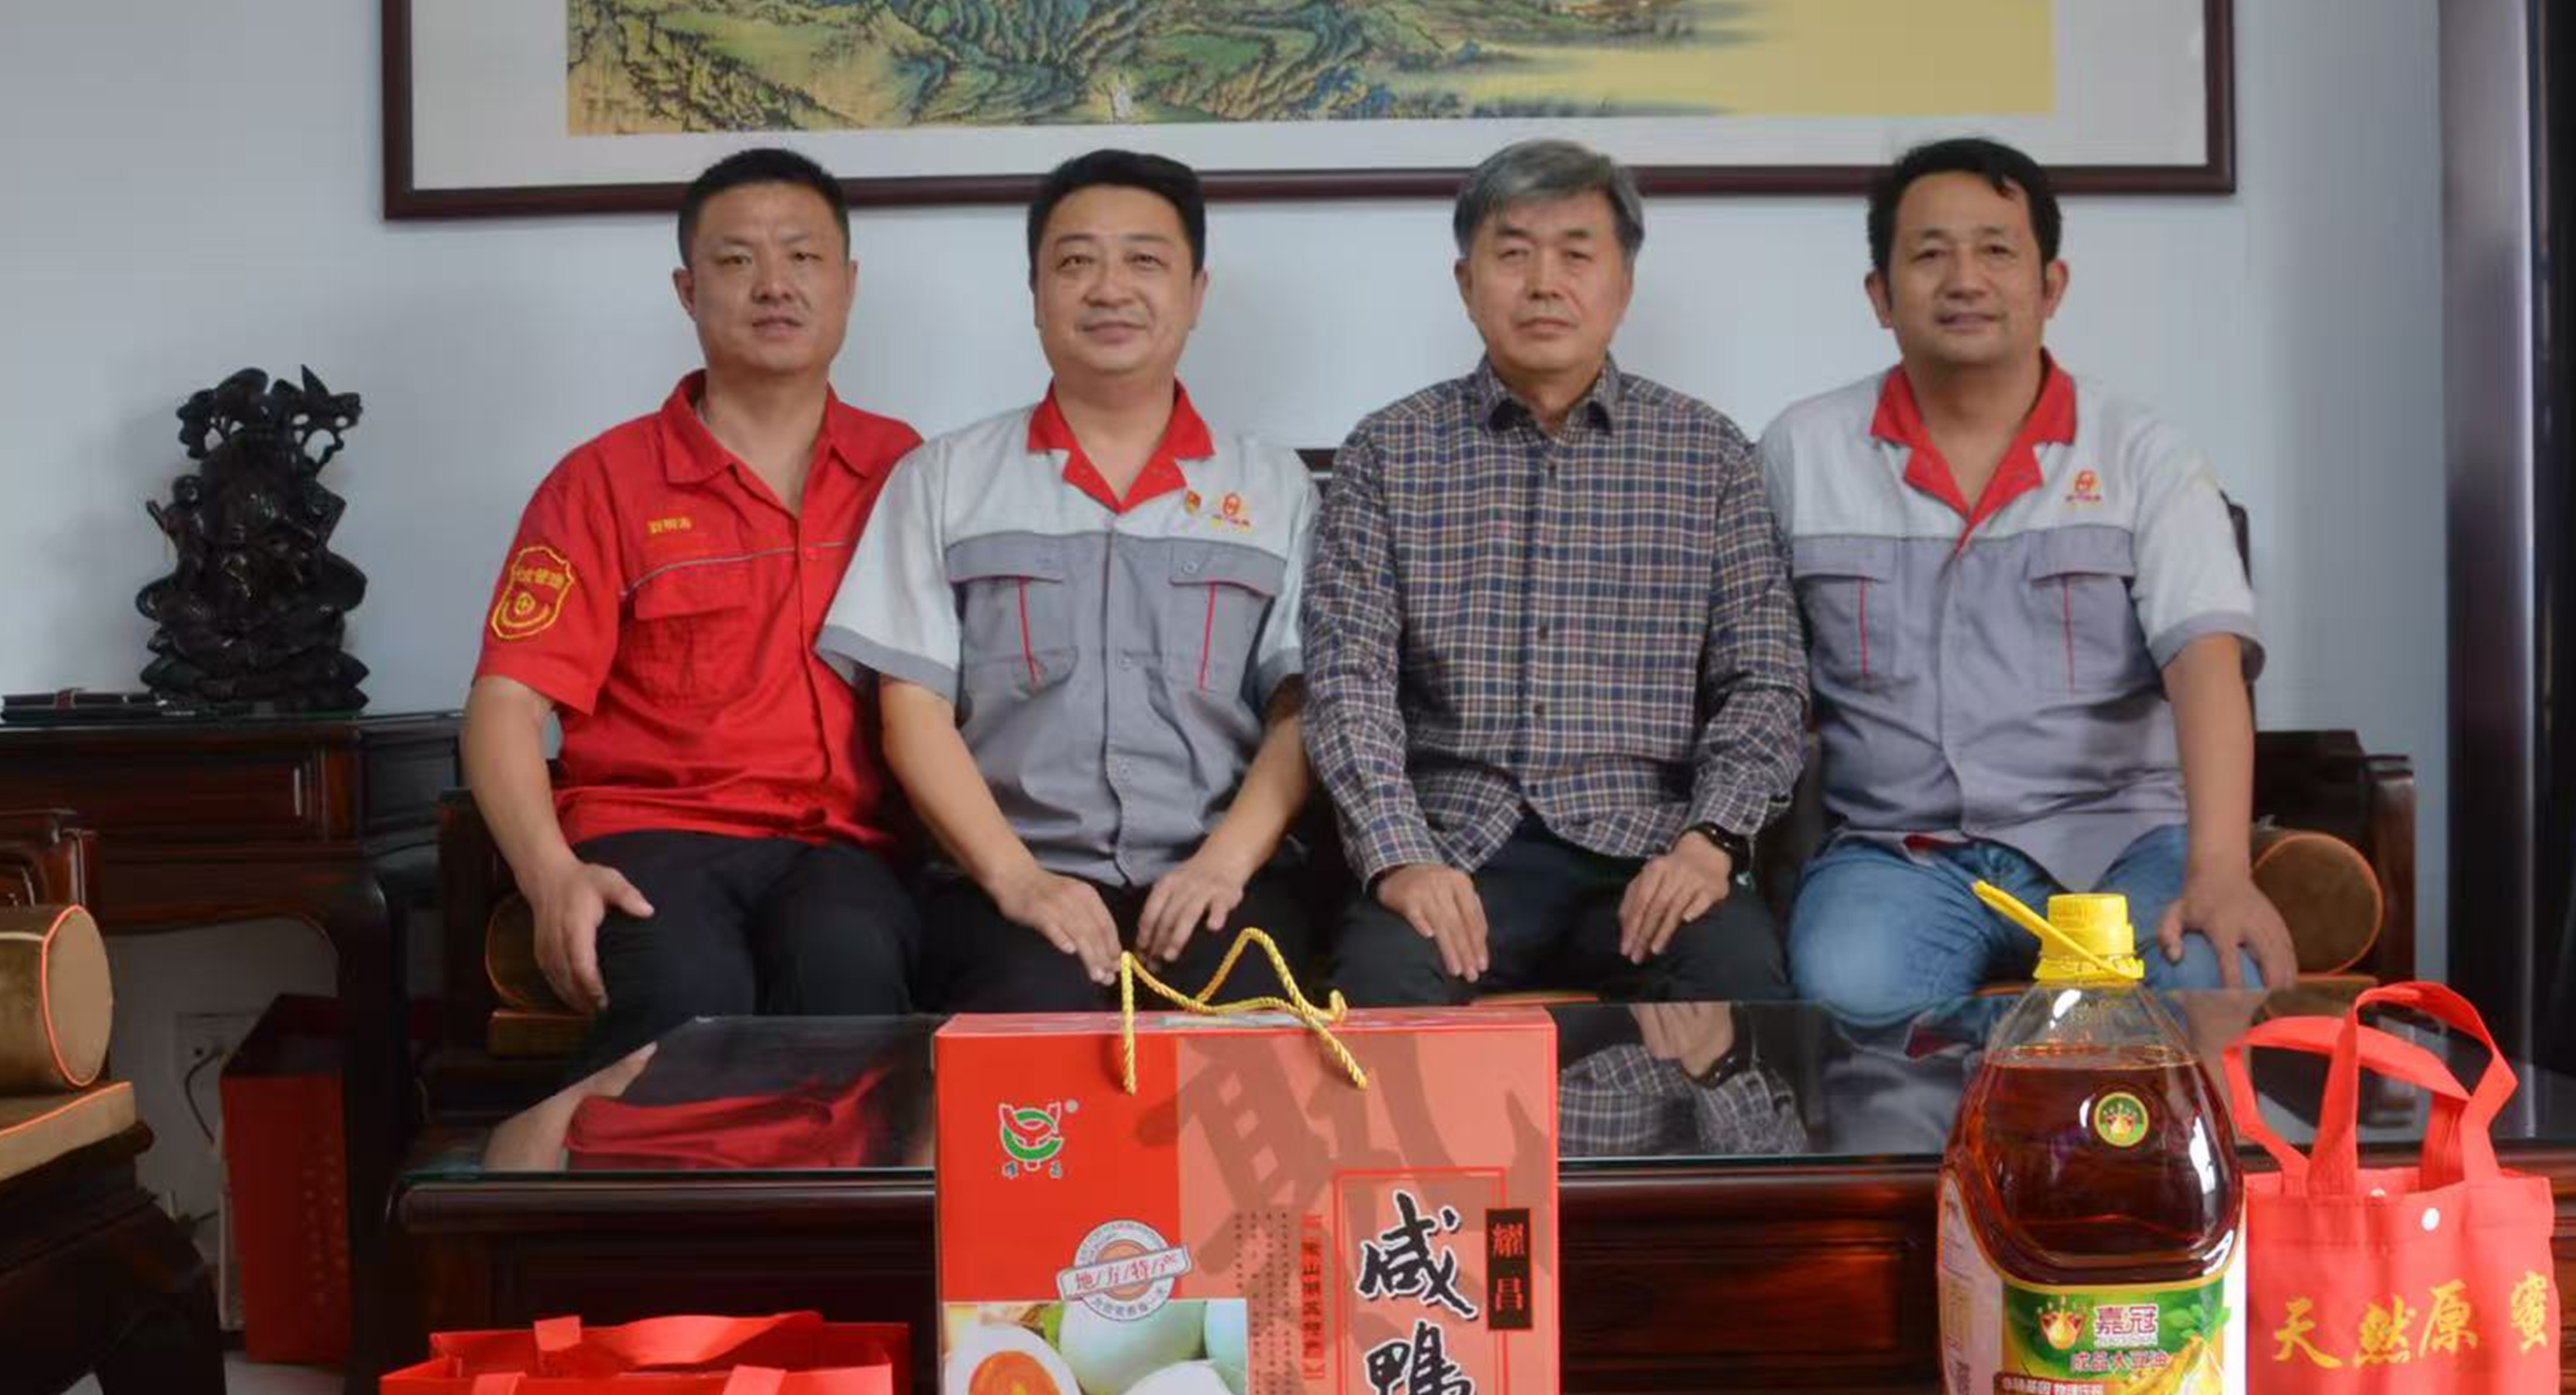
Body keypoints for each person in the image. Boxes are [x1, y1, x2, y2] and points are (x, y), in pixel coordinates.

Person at [1760, 136, 2294, 1028]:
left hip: (2118, 847)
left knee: (2205, 972)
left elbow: (2206, 665)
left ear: (2051, 287)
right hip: (1902, 854)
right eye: (1930, 255)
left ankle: (2041, 1070)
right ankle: (2031, 1068)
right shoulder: (1802, 452)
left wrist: (2220, 871)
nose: (1965, 280)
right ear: (1881, 296)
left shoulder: (2143, 454)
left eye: (1997, 251)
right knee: (1847, 988)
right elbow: (1752, 671)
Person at [1303, 139, 1807, 1007]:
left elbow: (1764, 682)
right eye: (1513, 255)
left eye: (1576, 254)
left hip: (1647, 849)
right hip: (1453, 846)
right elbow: (1349, 682)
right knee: (1381, 991)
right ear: (1467, 284)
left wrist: (1712, 841)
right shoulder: (1388, 452)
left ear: (1623, 286)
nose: (1544, 284)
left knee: (1737, 981)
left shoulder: (1707, 454)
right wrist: (1400, 855)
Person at [819, 150, 1317, 1009]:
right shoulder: (947, 479)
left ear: (1196, 293)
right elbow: (913, 710)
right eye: (1077, 262)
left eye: (1145, 261)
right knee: (1029, 1038)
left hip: (1220, 879)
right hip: (1005, 886)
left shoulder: (1276, 489)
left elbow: (1302, 708)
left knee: (1241, 1033)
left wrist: (1222, 865)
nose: (1109, 289)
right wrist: (1017, 880)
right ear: (1036, 292)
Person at [462, 148, 922, 1072]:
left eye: (803, 256)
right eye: (737, 259)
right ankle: (630, 1175)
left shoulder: (907, 471)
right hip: (652, 838)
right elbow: (505, 704)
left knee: (848, 970)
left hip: (842, 847)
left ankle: (836, 1184)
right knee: (686, 991)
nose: (774, 284)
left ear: (848, 284)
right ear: (687, 290)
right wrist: (550, 877)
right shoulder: (603, 482)